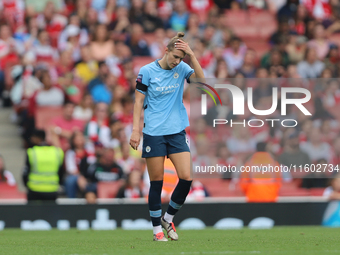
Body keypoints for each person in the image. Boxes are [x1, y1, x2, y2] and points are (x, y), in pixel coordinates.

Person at [129, 32, 204, 241]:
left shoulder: (181, 68)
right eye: (175, 57)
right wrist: (136, 130)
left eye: (181, 58)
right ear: (166, 51)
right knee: (157, 182)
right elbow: (137, 103)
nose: (177, 62)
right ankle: (156, 231)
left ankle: (168, 218)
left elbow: (203, 86)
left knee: (187, 178)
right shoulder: (147, 71)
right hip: (153, 133)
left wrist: (192, 56)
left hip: (177, 131)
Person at [22, 129, 64, 202]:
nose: (31, 139)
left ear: (39, 138)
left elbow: (25, 172)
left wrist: (27, 184)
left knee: (33, 212)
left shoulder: (32, 152)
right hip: (52, 189)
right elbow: (61, 172)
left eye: (33, 137)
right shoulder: (58, 152)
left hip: (34, 189)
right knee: (49, 212)